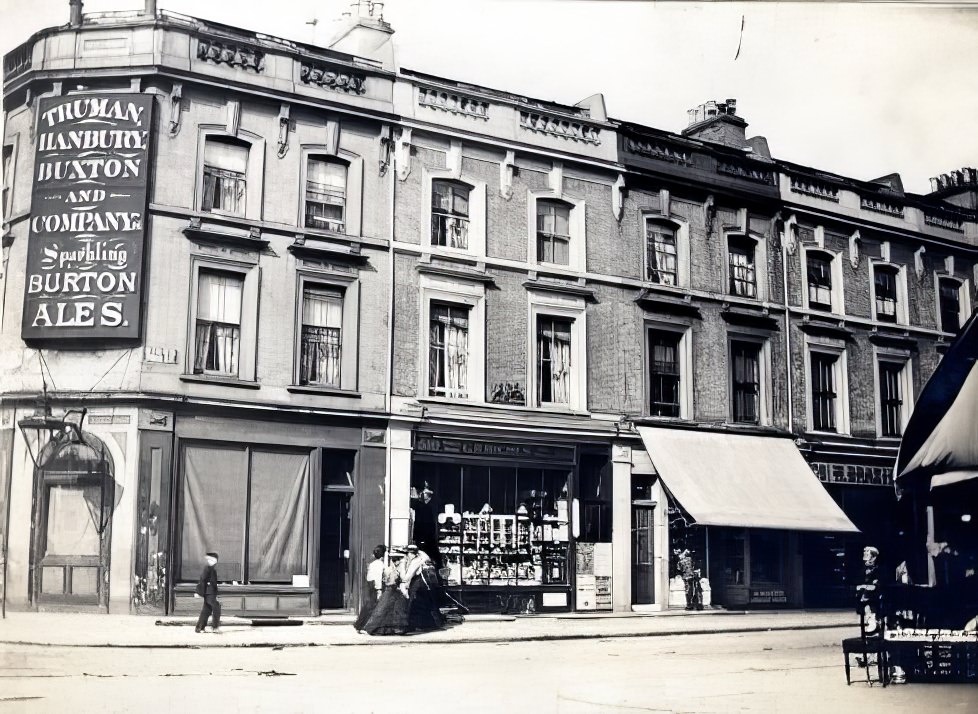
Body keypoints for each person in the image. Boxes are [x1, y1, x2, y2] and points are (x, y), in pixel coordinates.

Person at [363, 551, 410, 636]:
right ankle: (379, 628)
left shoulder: (393, 569)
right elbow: (391, 582)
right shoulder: (390, 570)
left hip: (393, 591)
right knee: (384, 610)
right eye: (397, 560)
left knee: (390, 610)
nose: (398, 562)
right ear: (394, 561)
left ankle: (392, 629)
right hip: (391, 590)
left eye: (399, 560)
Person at [404, 546, 446, 632]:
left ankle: (416, 624)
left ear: (411, 553)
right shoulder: (424, 559)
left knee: (415, 604)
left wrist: (405, 583)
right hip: (427, 585)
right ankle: (430, 623)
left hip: (418, 584)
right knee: (426, 604)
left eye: (408, 553)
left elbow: (410, 574)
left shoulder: (416, 561)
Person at [353, 544, 386, 632]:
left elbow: (369, 577)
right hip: (375, 586)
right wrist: (379, 590)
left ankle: (360, 625)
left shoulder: (372, 564)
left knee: (369, 606)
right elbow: (378, 578)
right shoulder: (381, 565)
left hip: (370, 585)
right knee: (372, 607)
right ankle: (362, 625)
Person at [856, 546, 881, 635]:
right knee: (865, 607)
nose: (865, 554)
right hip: (864, 596)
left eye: (867, 553)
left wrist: (866, 586)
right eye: (864, 552)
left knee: (870, 606)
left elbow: (878, 585)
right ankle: (871, 622)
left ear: (873, 557)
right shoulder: (863, 569)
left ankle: (874, 623)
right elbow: (859, 581)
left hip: (874, 596)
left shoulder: (877, 569)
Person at [194, 551, 221, 633]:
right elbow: (202, 580)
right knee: (216, 607)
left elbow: (210, 581)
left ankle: (200, 627)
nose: (212, 562)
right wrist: (199, 592)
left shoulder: (211, 569)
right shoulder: (208, 569)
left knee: (206, 610)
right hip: (209, 593)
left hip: (210, 592)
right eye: (211, 560)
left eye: (213, 560)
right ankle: (215, 627)